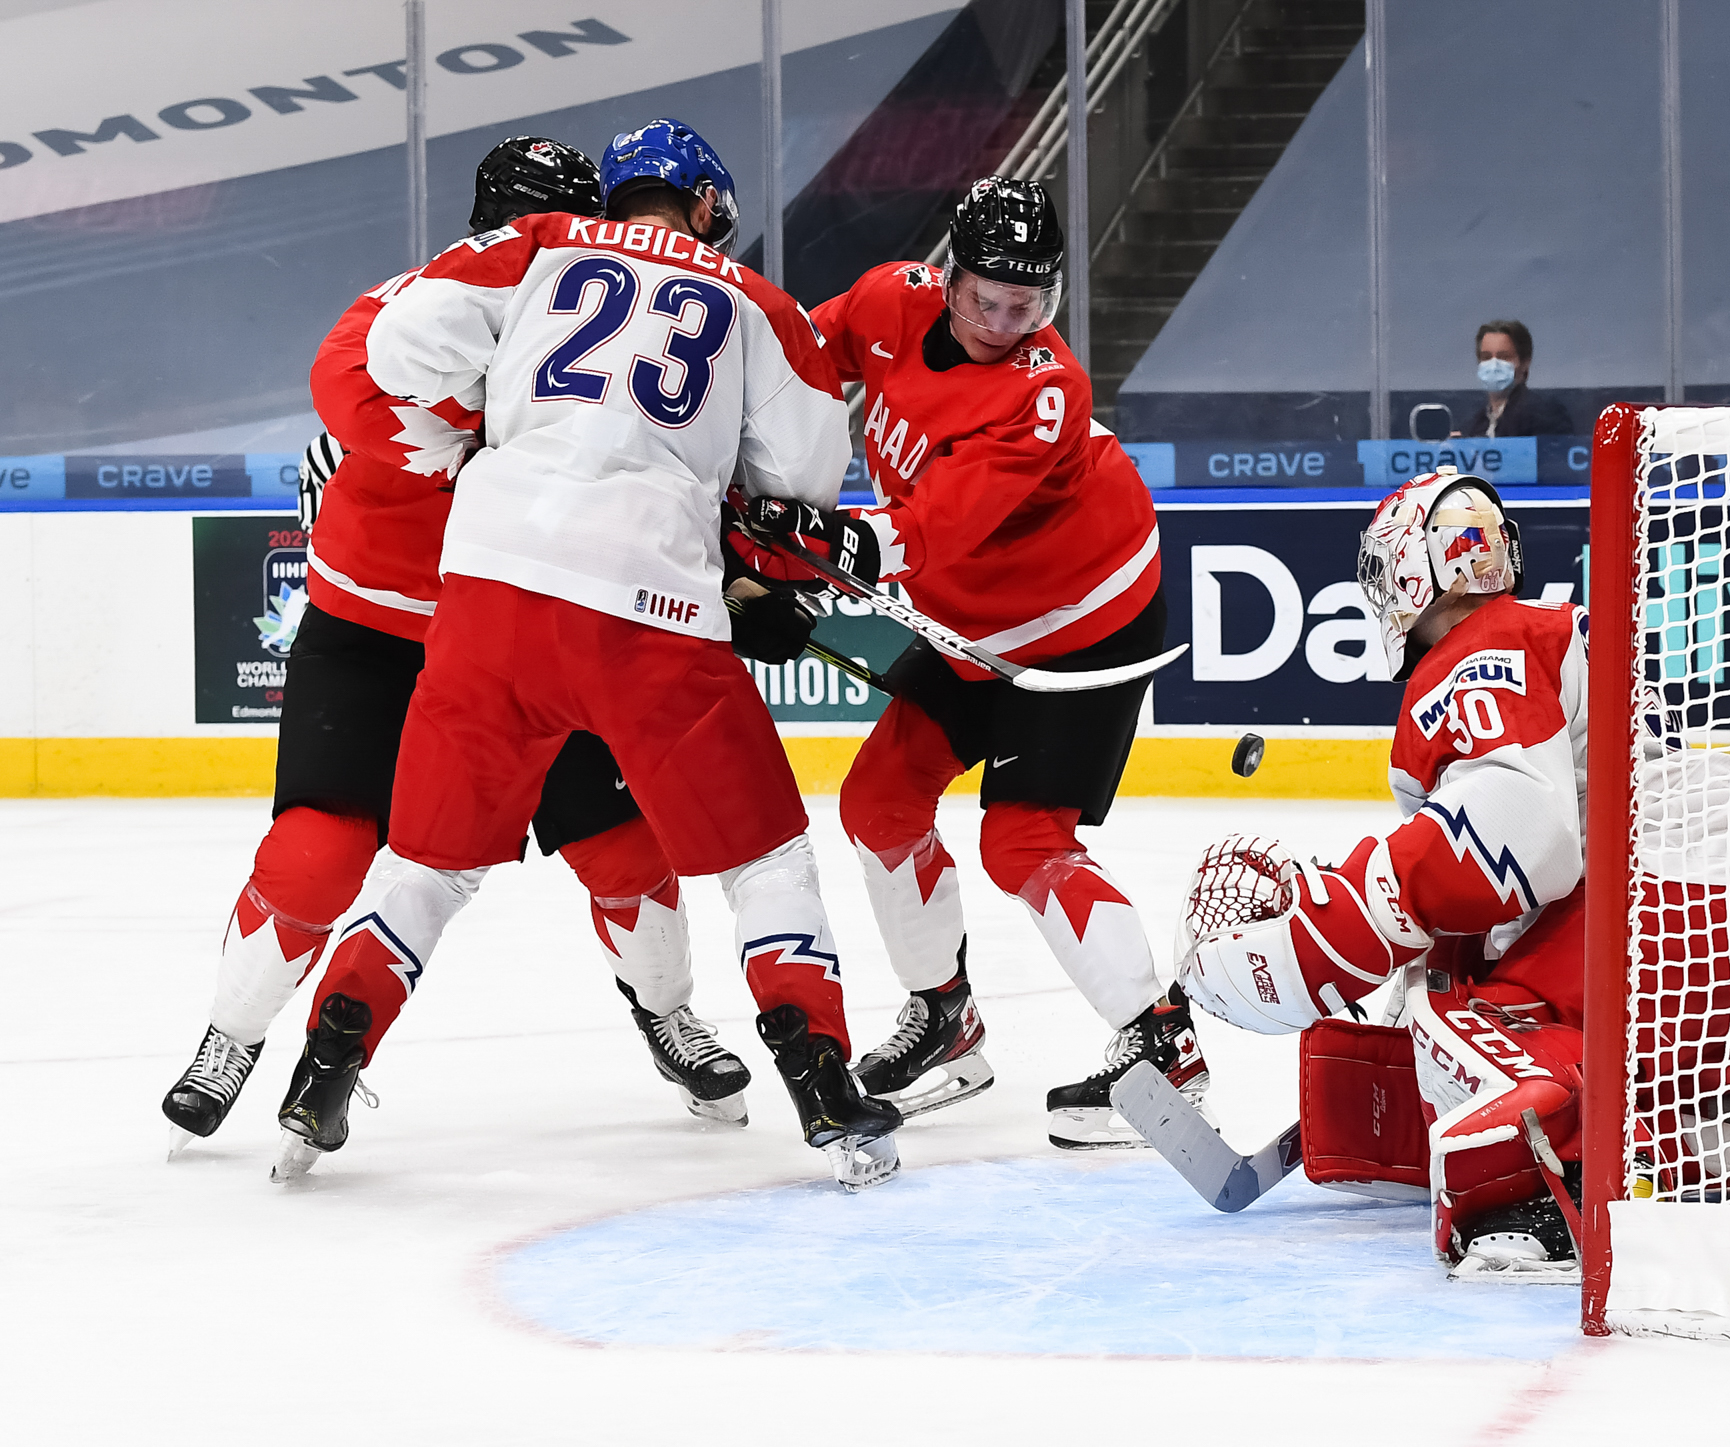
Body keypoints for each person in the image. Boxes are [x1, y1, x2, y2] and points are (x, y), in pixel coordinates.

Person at [267, 118, 903, 1190]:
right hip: (645, 606)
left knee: (425, 863)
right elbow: (797, 484)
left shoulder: (534, 246)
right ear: (706, 207)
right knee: (762, 860)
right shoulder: (760, 306)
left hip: (486, 594)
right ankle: (824, 1082)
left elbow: (393, 349)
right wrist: (762, 539)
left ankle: (325, 1064)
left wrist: (469, 449)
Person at [161, 137, 764, 1159]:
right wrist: (479, 443)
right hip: (374, 635)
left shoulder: (608, 335)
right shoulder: (417, 306)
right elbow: (345, 383)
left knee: (629, 853)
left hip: (534, 627)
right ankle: (233, 1033)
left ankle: (665, 1012)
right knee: (317, 857)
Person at [794, 176, 1209, 1149]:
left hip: (1080, 627)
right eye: (985, 296)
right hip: (964, 626)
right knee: (875, 806)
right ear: (947, 278)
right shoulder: (890, 299)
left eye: (1024, 304)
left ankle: (1163, 1049)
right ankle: (944, 1016)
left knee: (1021, 840)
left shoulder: (1043, 392)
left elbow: (939, 527)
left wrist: (812, 542)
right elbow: (801, 351)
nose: (1001, 319)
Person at [1175, 467, 1590, 1275]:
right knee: (1443, 997)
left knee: (1451, 1025)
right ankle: (1723, 1105)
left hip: (1657, 924)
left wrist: (1334, 923)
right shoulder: (1542, 632)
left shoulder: (1483, 644)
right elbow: (1521, 867)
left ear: (1417, 563)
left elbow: (1521, 836)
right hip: (1705, 930)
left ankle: (1540, 1182)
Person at [1453, 319, 1572, 438]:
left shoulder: (1545, 413)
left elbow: (1552, 452)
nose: (1494, 365)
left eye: (1504, 357)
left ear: (1525, 363)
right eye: (1486, 357)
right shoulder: (1473, 424)